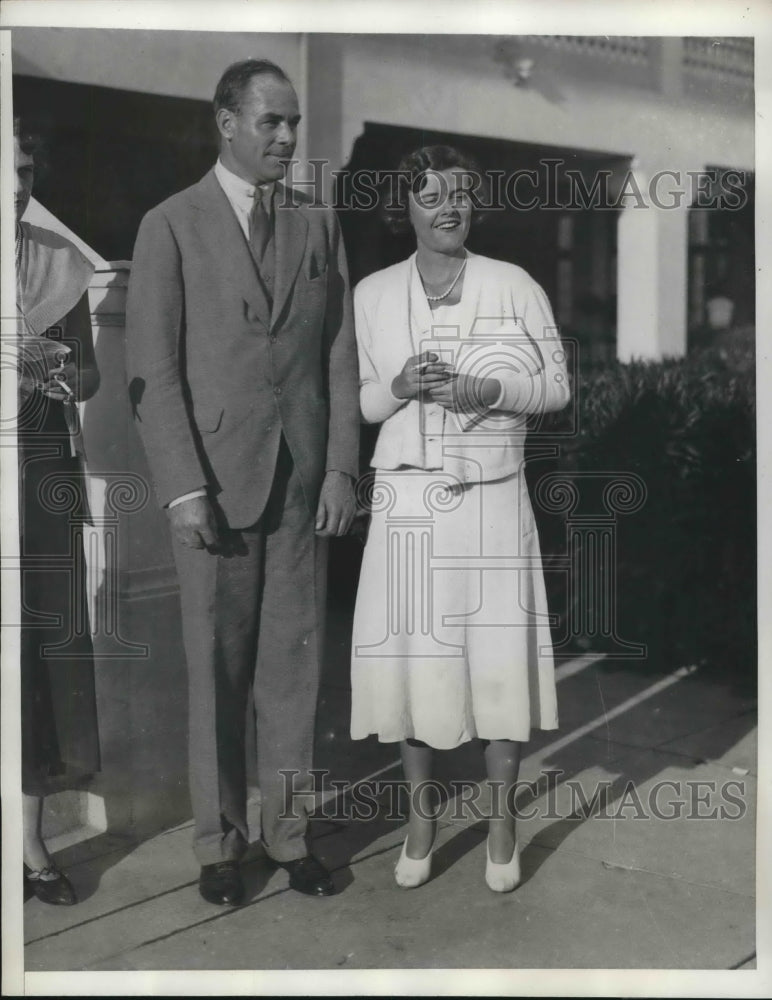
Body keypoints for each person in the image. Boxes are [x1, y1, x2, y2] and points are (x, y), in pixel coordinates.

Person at [125, 59, 359, 906]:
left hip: (299, 483)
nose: (289, 139)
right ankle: (218, 845)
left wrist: (339, 465)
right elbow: (151, 367)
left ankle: (290, 835)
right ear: (226, 121)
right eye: (272, 123)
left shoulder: (318, 225)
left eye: (293, 123)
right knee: (217, 673)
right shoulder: (171, 225)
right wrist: (183, 489)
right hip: (217, 489)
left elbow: (338, 353)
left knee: (294, 672)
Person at [350, 145, 570, 892]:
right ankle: (422, 819)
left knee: (497, 658)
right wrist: (401, 385)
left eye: (462, 195)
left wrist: (481, 386)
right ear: (402, 209)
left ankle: (503, 823)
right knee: (414, 658)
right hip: (406, 497)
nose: (450, 207)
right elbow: (362, 402)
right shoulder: (373, 294)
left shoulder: (512, 283)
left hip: (492, 494)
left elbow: (556, 387)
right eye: (432, 195)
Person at [14, 117, 101, 906]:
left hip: (39, 473)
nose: (16, 188)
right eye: (3, 170)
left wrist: (60, 378)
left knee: (38, 651)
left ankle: (32, 842)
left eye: (28, 171)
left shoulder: (59, 267)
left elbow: (93, 380)